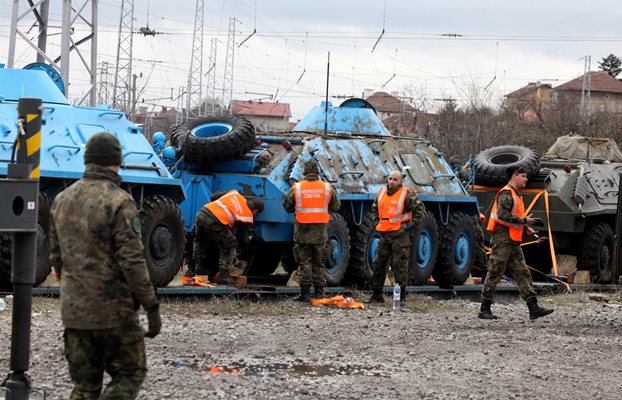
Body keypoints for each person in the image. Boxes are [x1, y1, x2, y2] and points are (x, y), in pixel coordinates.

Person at [48, 132, 161, 399]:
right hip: (113, 312)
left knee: (85, 387)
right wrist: (151, 305)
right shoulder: (119, 201)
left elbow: (56, 259)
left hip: (74, 312)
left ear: (87, 160)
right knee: (129, 373)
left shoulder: (61, 200)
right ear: (117, 161)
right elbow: (132, 261)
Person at [478, 166, 554, 320]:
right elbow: (502, 214)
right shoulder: (507, 193)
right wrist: (524, 220)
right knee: (494, 272)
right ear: (514, 176)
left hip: (512, 241)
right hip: (503, 240)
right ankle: (484, 309)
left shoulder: (515, 194)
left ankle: (534, 308)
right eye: (523, 176)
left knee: (523, 273)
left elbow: (512, 218)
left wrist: (525, 228)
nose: (526, 179)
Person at [283, 159, 341, 302]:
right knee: (319, 262)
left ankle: (305, 294)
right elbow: (336, 206)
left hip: (302, 231)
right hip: (321, 231)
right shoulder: (327, 188)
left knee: (304, 262)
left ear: (304, 172)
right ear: (317, 173)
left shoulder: (297, 188)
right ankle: (319, 293)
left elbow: (287, 206)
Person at [366, 170, 426, 306]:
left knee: (400, 267)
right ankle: (376, 295)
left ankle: (401, 297)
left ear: (400, 181)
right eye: (390, 179)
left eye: (395, 180)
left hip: (400, 236)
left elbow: (420, 209)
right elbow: (375, 208)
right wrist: (376, 222)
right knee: (379, 265)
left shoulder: (406, 195)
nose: (391, 182)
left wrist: (409, 226)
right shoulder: (381, 193)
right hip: (385, 235)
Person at [193, 189, 264, 285]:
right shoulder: (247, 215)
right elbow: (242, 239)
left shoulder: (234, 194)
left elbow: (213, 196)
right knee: (230, 244)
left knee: (200, 241)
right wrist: (248, 244)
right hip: (216, 220)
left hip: (202, 213)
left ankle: (199, 270)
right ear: (255, 210)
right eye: (256, 213)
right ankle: (224, 276)